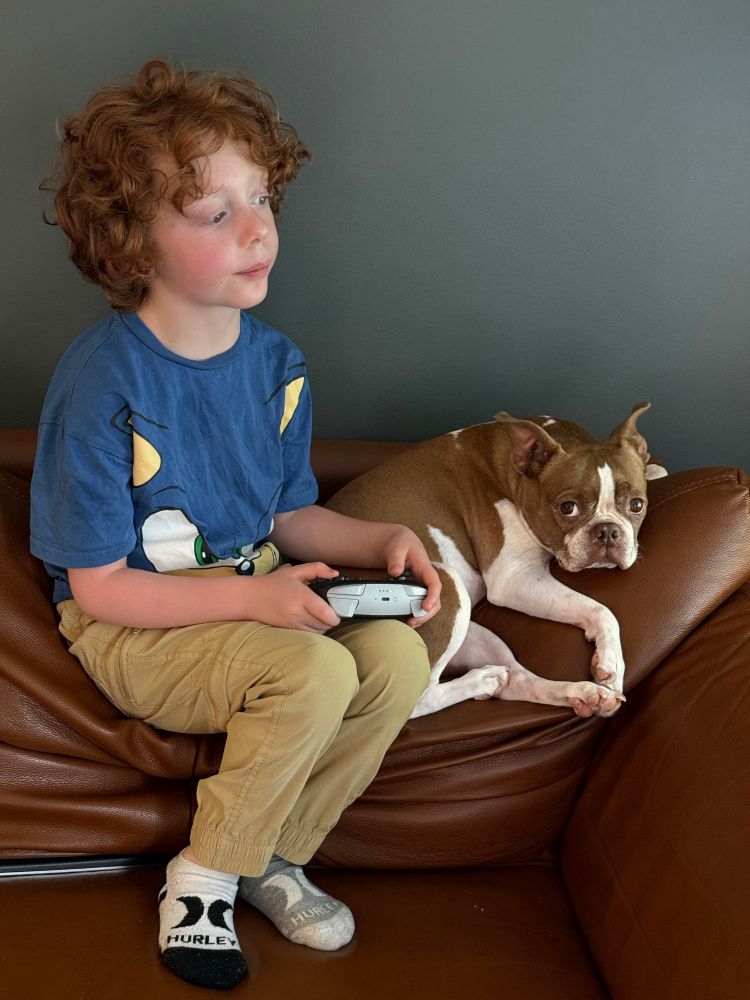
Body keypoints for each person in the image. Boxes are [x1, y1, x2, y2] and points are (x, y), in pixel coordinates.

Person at [30, 58, 440, 991]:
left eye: (261, 199)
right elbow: (98, 586)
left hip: (251, 592)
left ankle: (271, 856)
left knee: (396, 660)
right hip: (137, 621)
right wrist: (256, 603)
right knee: (312, 668)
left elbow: (290, 515)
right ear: (135, 244)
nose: (259, 230)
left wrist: (380, 545)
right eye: (216, 214)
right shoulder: (102, 381)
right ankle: (203, 879)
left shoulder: (277, 364)